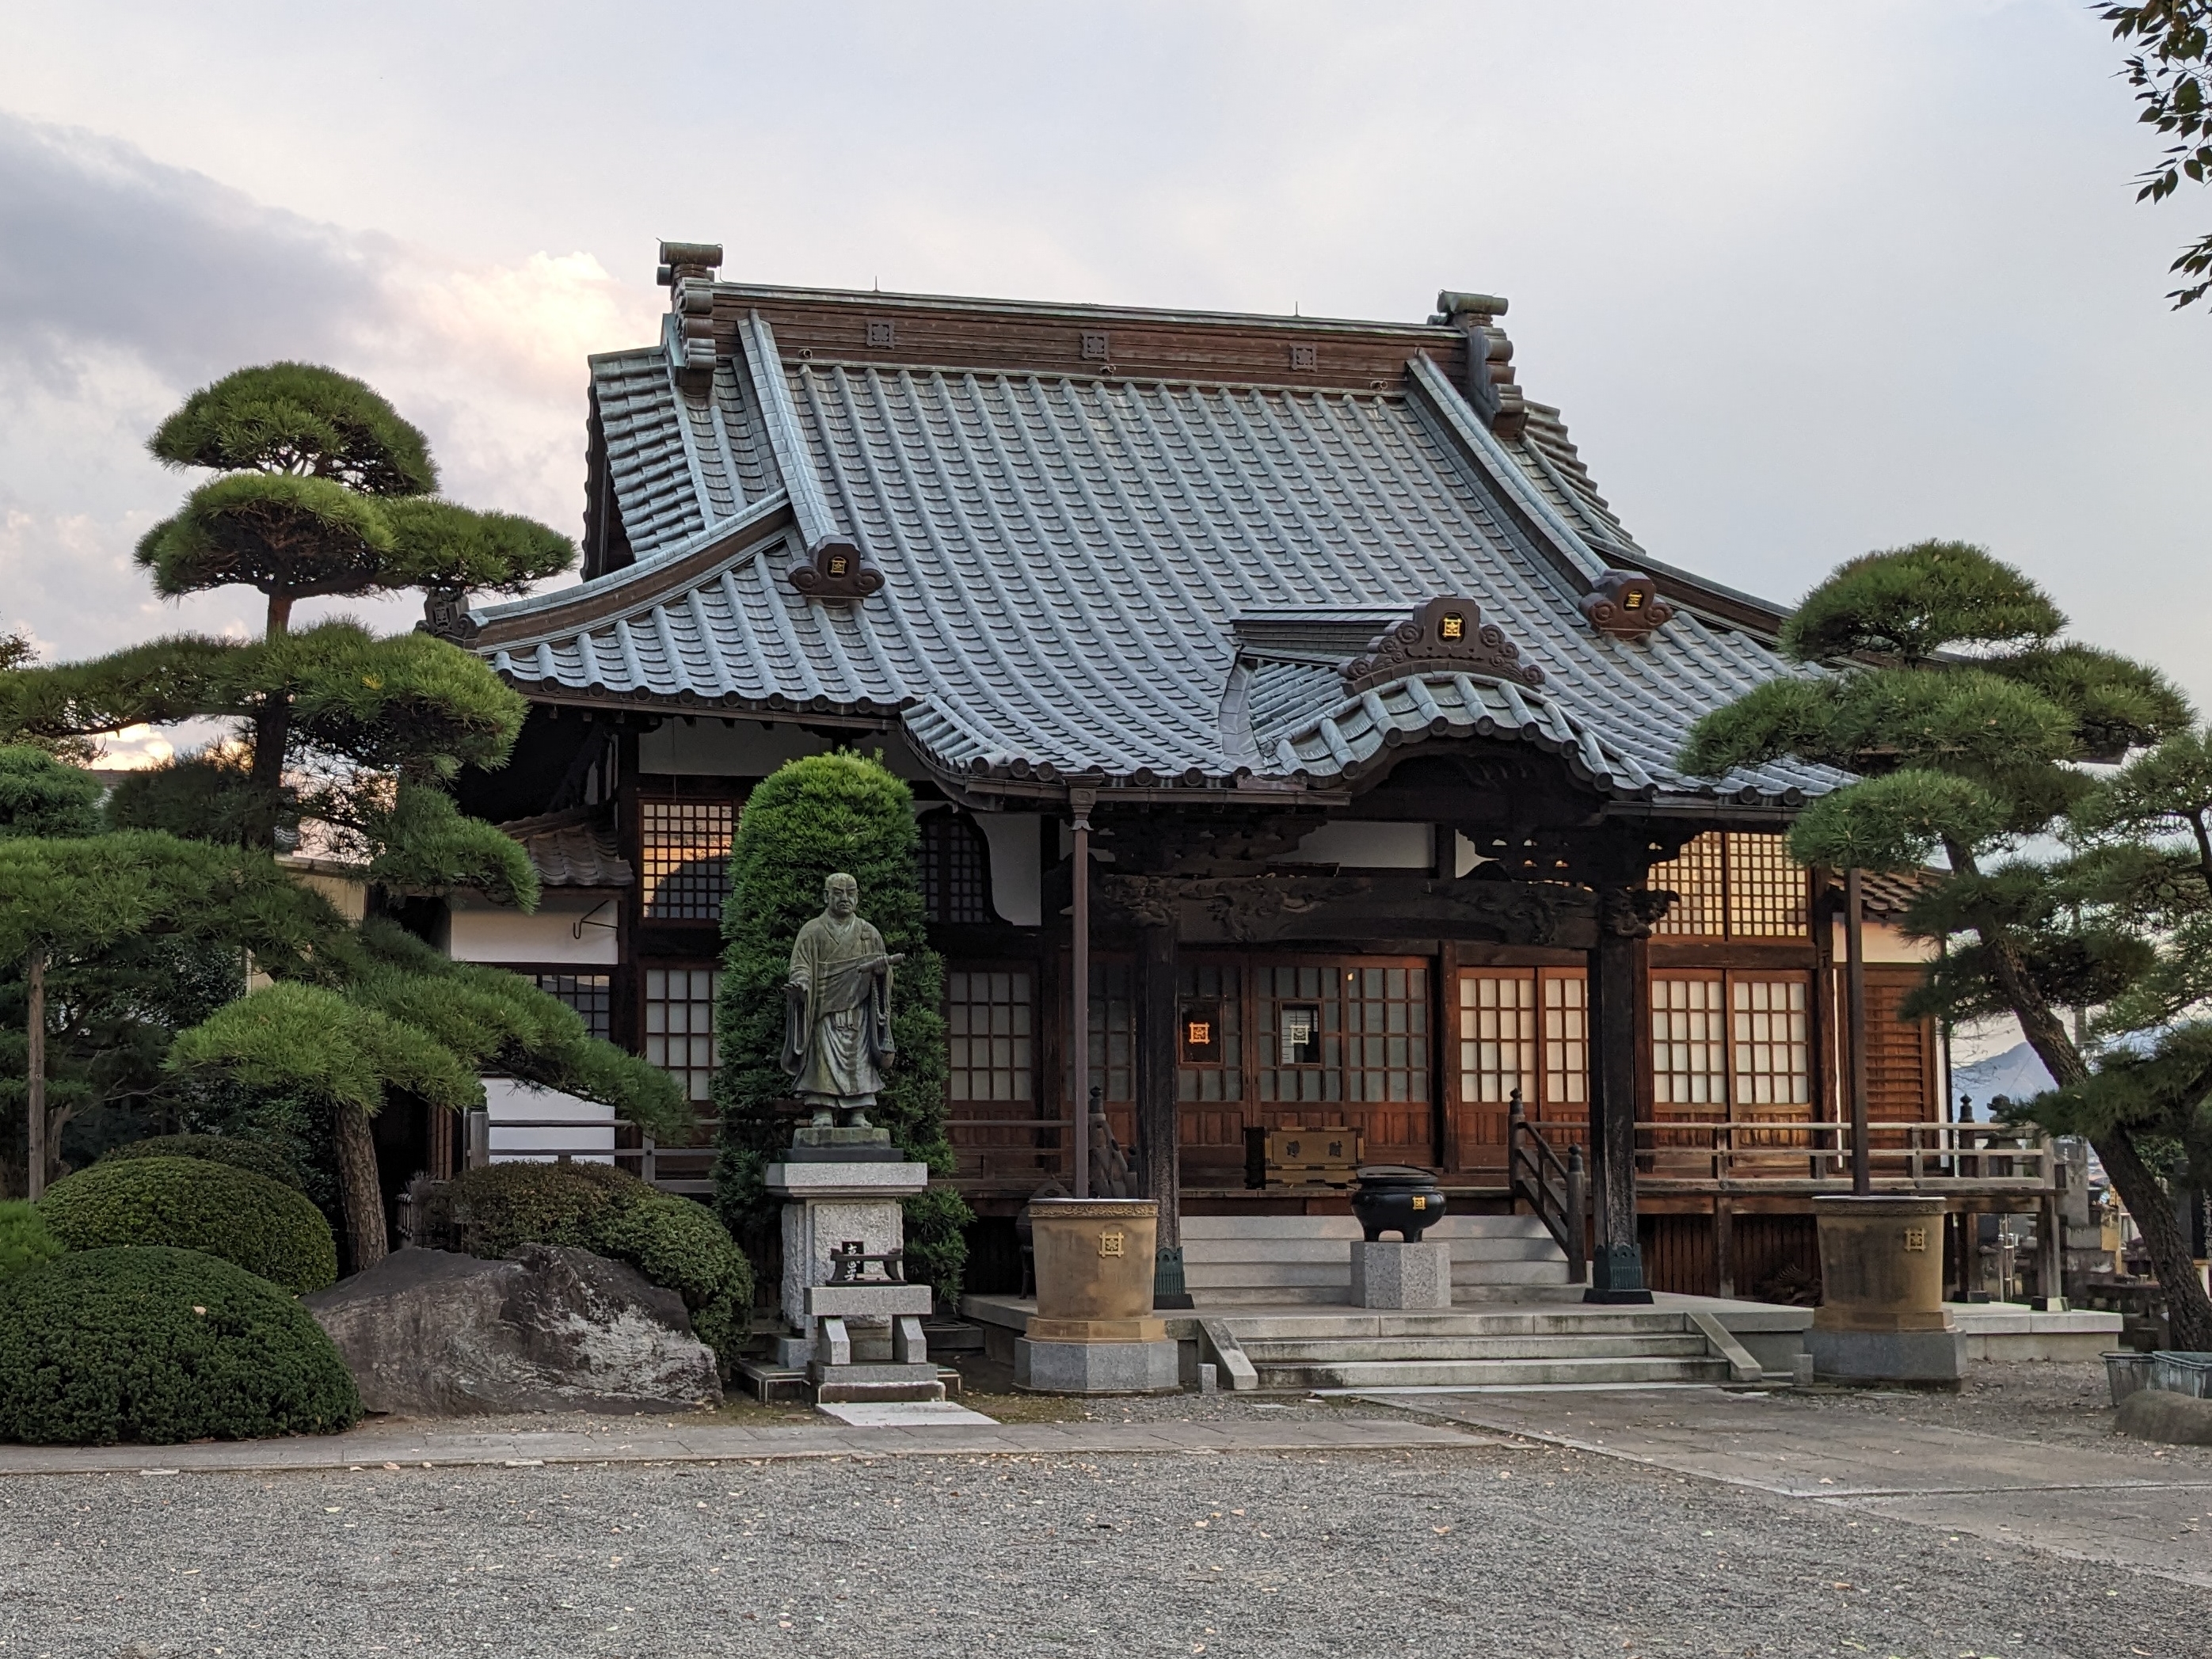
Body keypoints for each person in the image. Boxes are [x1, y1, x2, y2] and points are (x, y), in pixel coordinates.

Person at [782, 872, 901, 1128]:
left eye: (850, 892)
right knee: (822, 1057)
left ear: (857, 896)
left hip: (858, 1010)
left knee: (858, 1058)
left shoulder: (869, 933)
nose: (845, 898)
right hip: (824, 1009)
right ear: (827, 896)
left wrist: (882, 972)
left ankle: (858, 1110)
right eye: (838, 892)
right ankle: (822, 1109)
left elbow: (884, 978)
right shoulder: (812, 931)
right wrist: (802, 984)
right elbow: (801, 966)